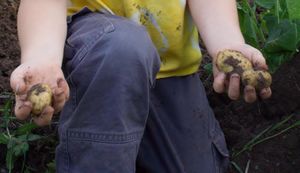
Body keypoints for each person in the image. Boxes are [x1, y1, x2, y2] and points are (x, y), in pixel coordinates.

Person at [10, 0, 272, 172]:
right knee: (123, 49)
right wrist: (42, 57)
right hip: (103, 61)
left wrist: (227, 43)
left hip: (170, 74)